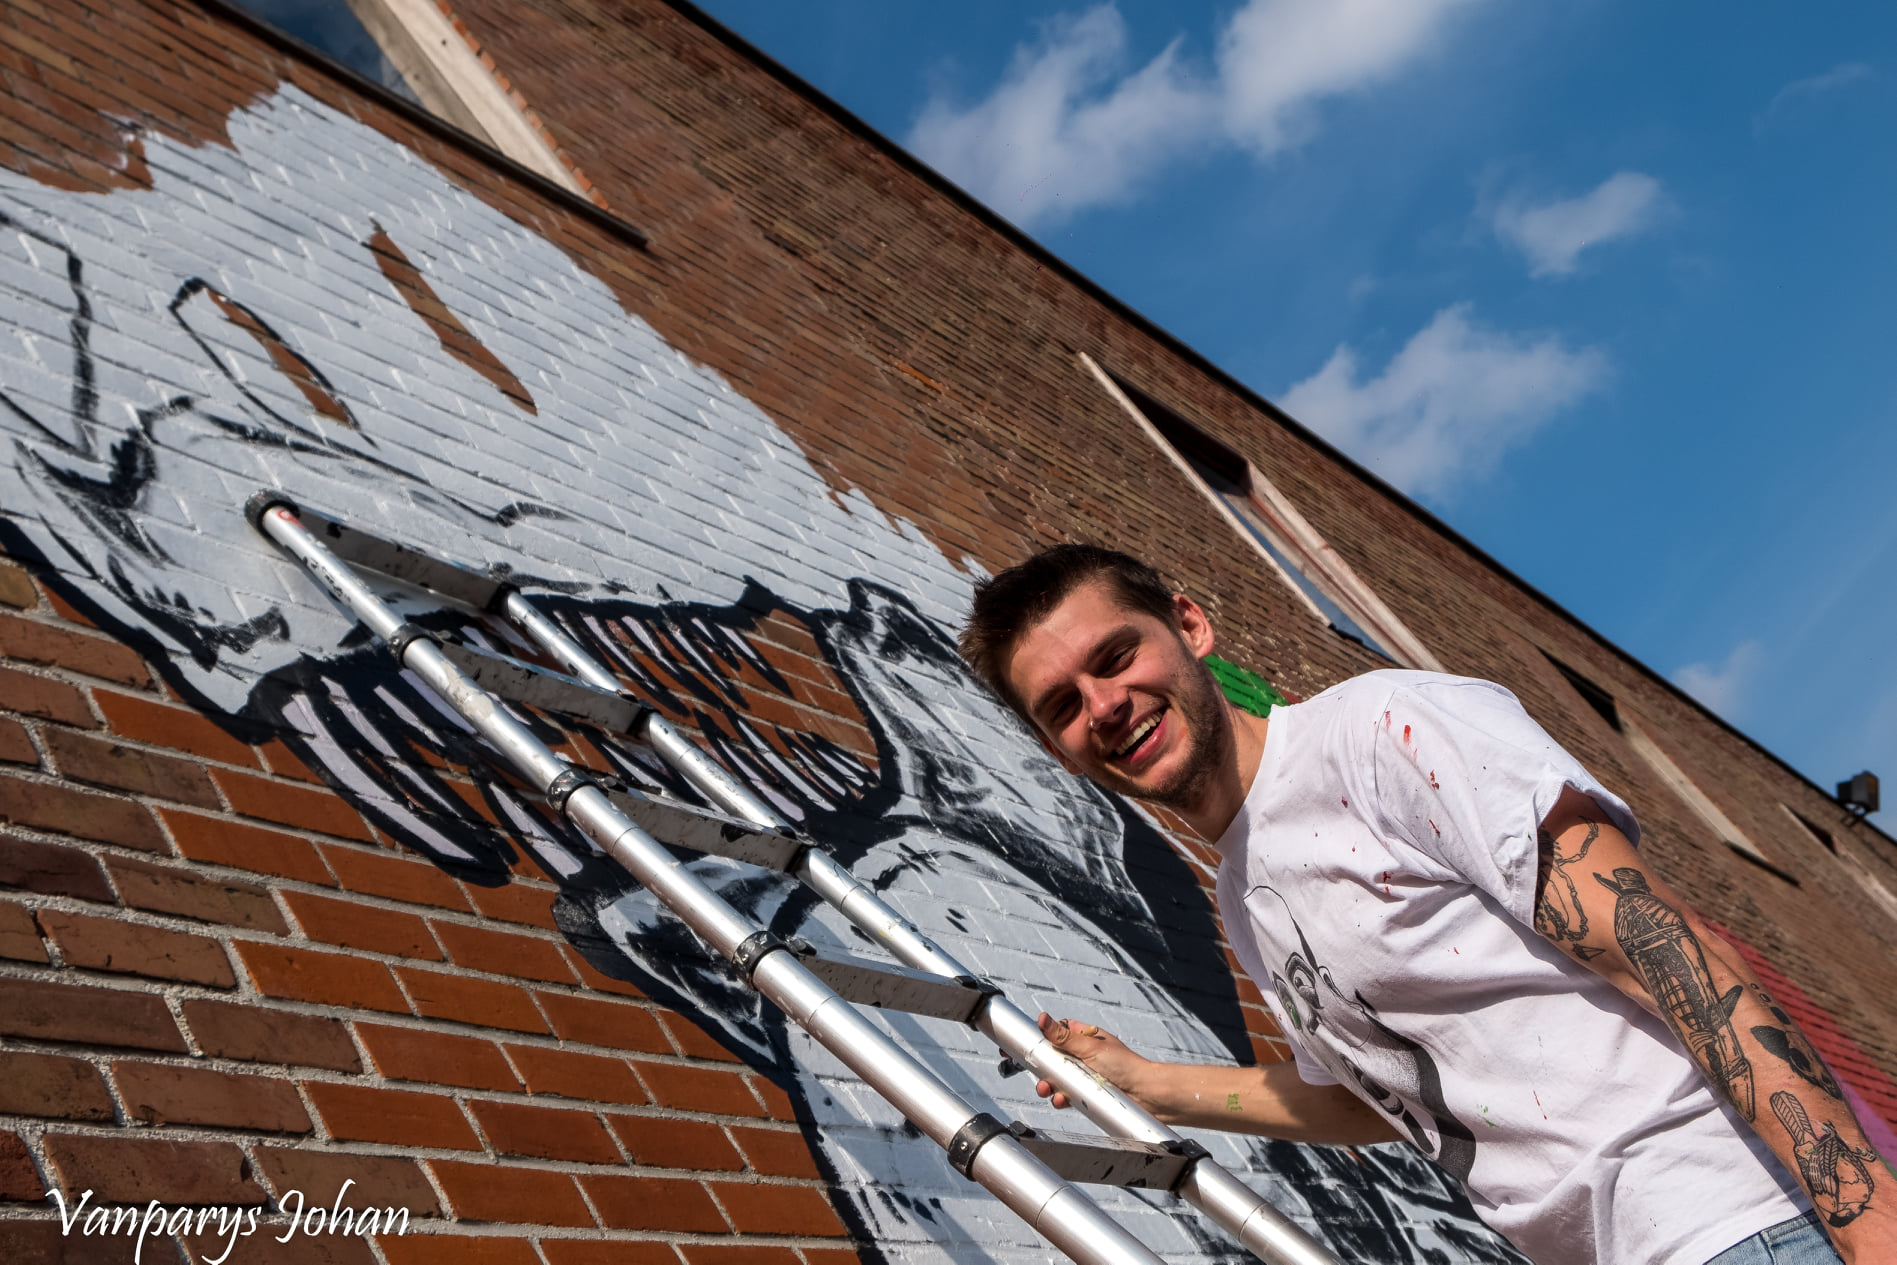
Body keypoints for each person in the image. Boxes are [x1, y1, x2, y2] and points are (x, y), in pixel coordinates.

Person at [957, 544, 1896, 1265]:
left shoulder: (1379, 732)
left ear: (1190, 626)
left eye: (1116, 656)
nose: (1103, 704)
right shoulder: (1244, 888)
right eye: (1062, 705)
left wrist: (1867, 1217)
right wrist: (1146, 1081)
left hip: (1736, 1220)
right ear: (1056, 751)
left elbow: (1655, 947)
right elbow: (1385, 1101)